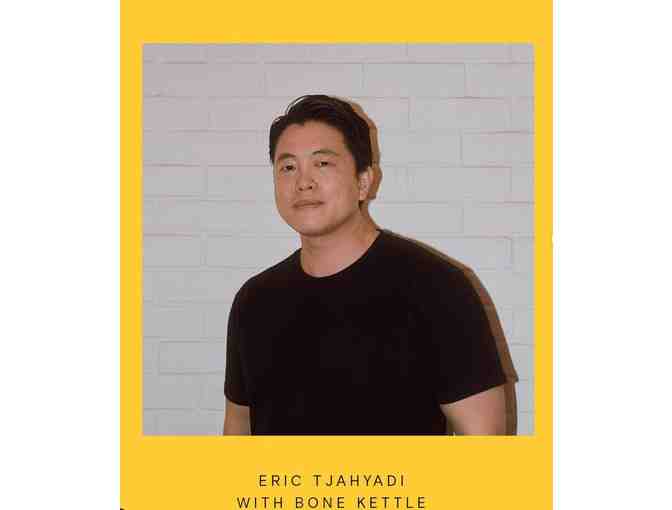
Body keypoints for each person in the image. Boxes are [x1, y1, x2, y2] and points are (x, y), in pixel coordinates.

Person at [223, 94, 507, 435]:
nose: (303, 181)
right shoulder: (254, 301)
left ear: (364, 181)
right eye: (288, 167)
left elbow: (486, 441)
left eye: (322, 163)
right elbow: (238, 430)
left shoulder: (437, 288)